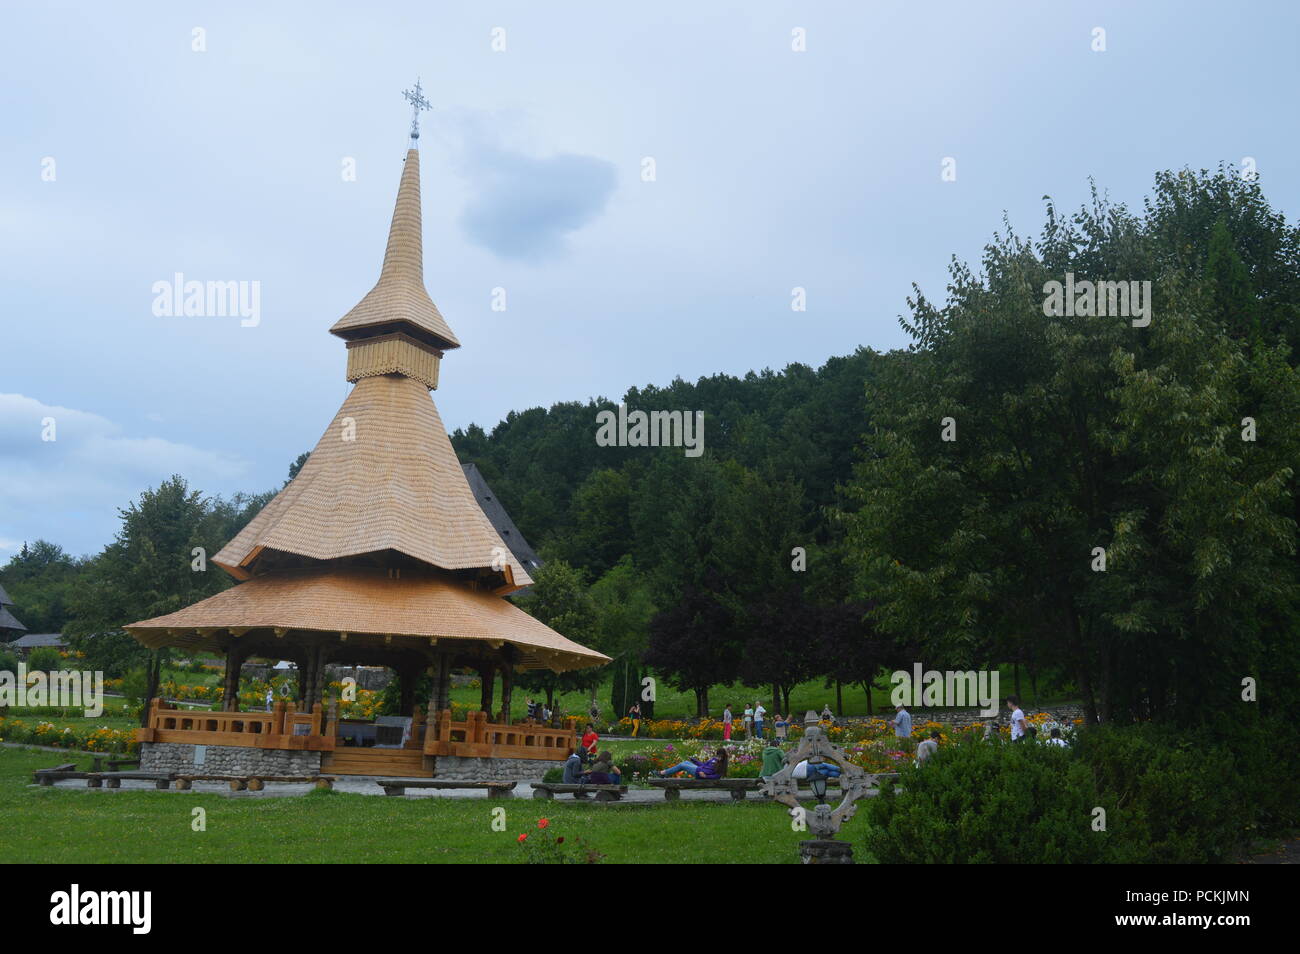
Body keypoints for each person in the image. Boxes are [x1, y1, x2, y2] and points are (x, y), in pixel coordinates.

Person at [658, 747, 729, 779]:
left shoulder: (722, 765)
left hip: (699, 774)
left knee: (682, 765)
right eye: (717, 755)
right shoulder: (714, 759)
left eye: (719, 756)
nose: (717, 757)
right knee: (685, 762)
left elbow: (717, 776)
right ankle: (664, 773)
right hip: (699, 769)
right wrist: (694, 760)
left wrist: (706, 776)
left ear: (722, 756)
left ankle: (662, 773)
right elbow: (704, 765)